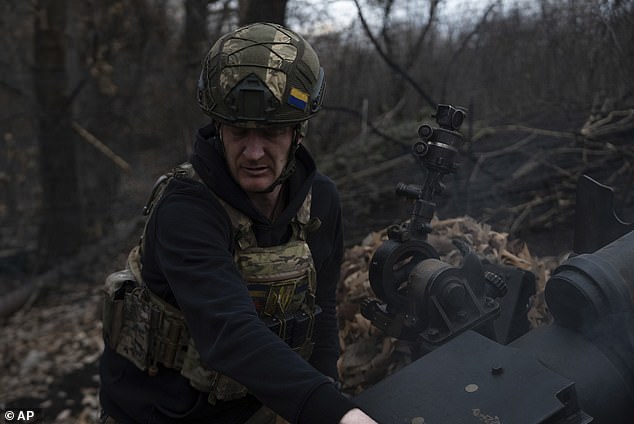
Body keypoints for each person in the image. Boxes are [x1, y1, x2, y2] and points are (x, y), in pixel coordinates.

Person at [99, 22, 378, 424]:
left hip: (255, 405)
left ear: (298, 133)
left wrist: (330, 396)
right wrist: (337, 414)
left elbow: (323, 311)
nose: (253, 151)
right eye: (238, 131)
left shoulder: (321, 202)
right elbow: (228, 332)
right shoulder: (186, 209)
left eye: (270, 132)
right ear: (218, 127)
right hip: (154, 410)